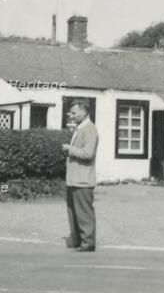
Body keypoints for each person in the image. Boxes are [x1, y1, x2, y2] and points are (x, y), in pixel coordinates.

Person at [62, 100, 99, 252]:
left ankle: (88, 242)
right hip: (75, 179)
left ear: (84, 112)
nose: (72, 116)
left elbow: (88, 153)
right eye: (71, 113)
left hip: (82, 179)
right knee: (73, 211)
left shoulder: (89, 129)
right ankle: (78, 239)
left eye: (74, 113)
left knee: (83, 212)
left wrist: (70, 149)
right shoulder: (80, 128)